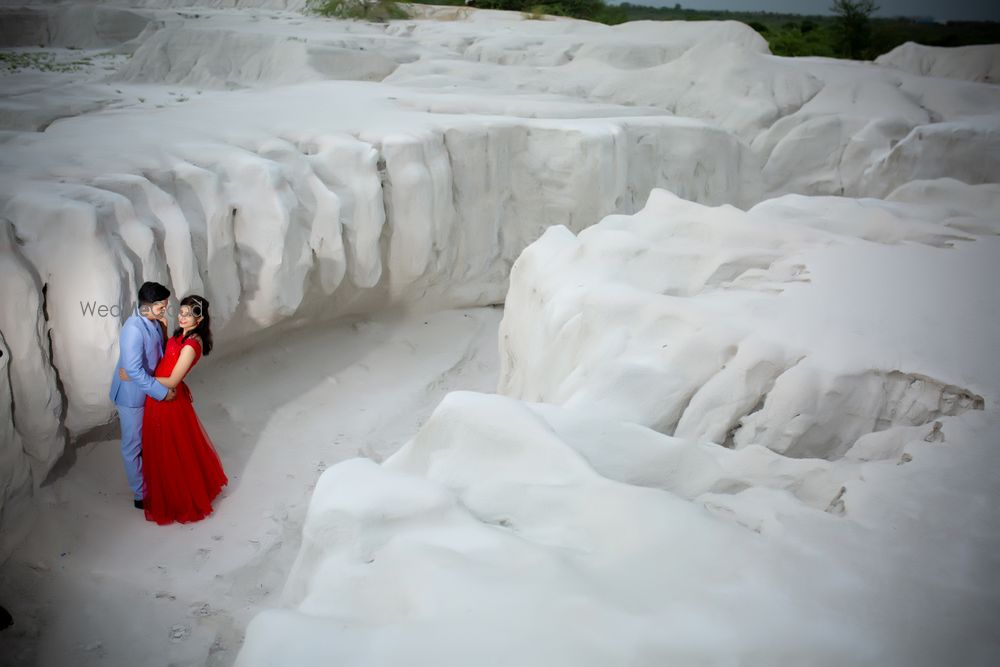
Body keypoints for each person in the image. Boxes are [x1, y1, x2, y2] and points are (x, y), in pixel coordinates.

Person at [140, 295, 227, 524]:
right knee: (163, 449)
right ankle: (169, 491)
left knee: (172, 451)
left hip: (168, 398)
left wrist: (138, 377)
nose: (182, 317)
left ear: (199, 319)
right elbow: (170, 354)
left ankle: (181, 500)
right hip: (158, 394)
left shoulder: (192, 344)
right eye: (181, 312)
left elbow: (173, 378)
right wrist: (165, 329)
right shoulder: (182, 334)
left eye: (188, 315)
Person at [110, 282, 176, 510]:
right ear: (148, 306)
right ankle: (141, 494)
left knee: (148, 441)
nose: (165, 310)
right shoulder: (133, 329)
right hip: (131, 397)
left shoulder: (154, 322)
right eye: (162, 306)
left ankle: (152, 482)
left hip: (145, 391)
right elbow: (134, 371)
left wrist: (165, 331)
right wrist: (162, 392)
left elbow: (157, 355)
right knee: (133, 445)